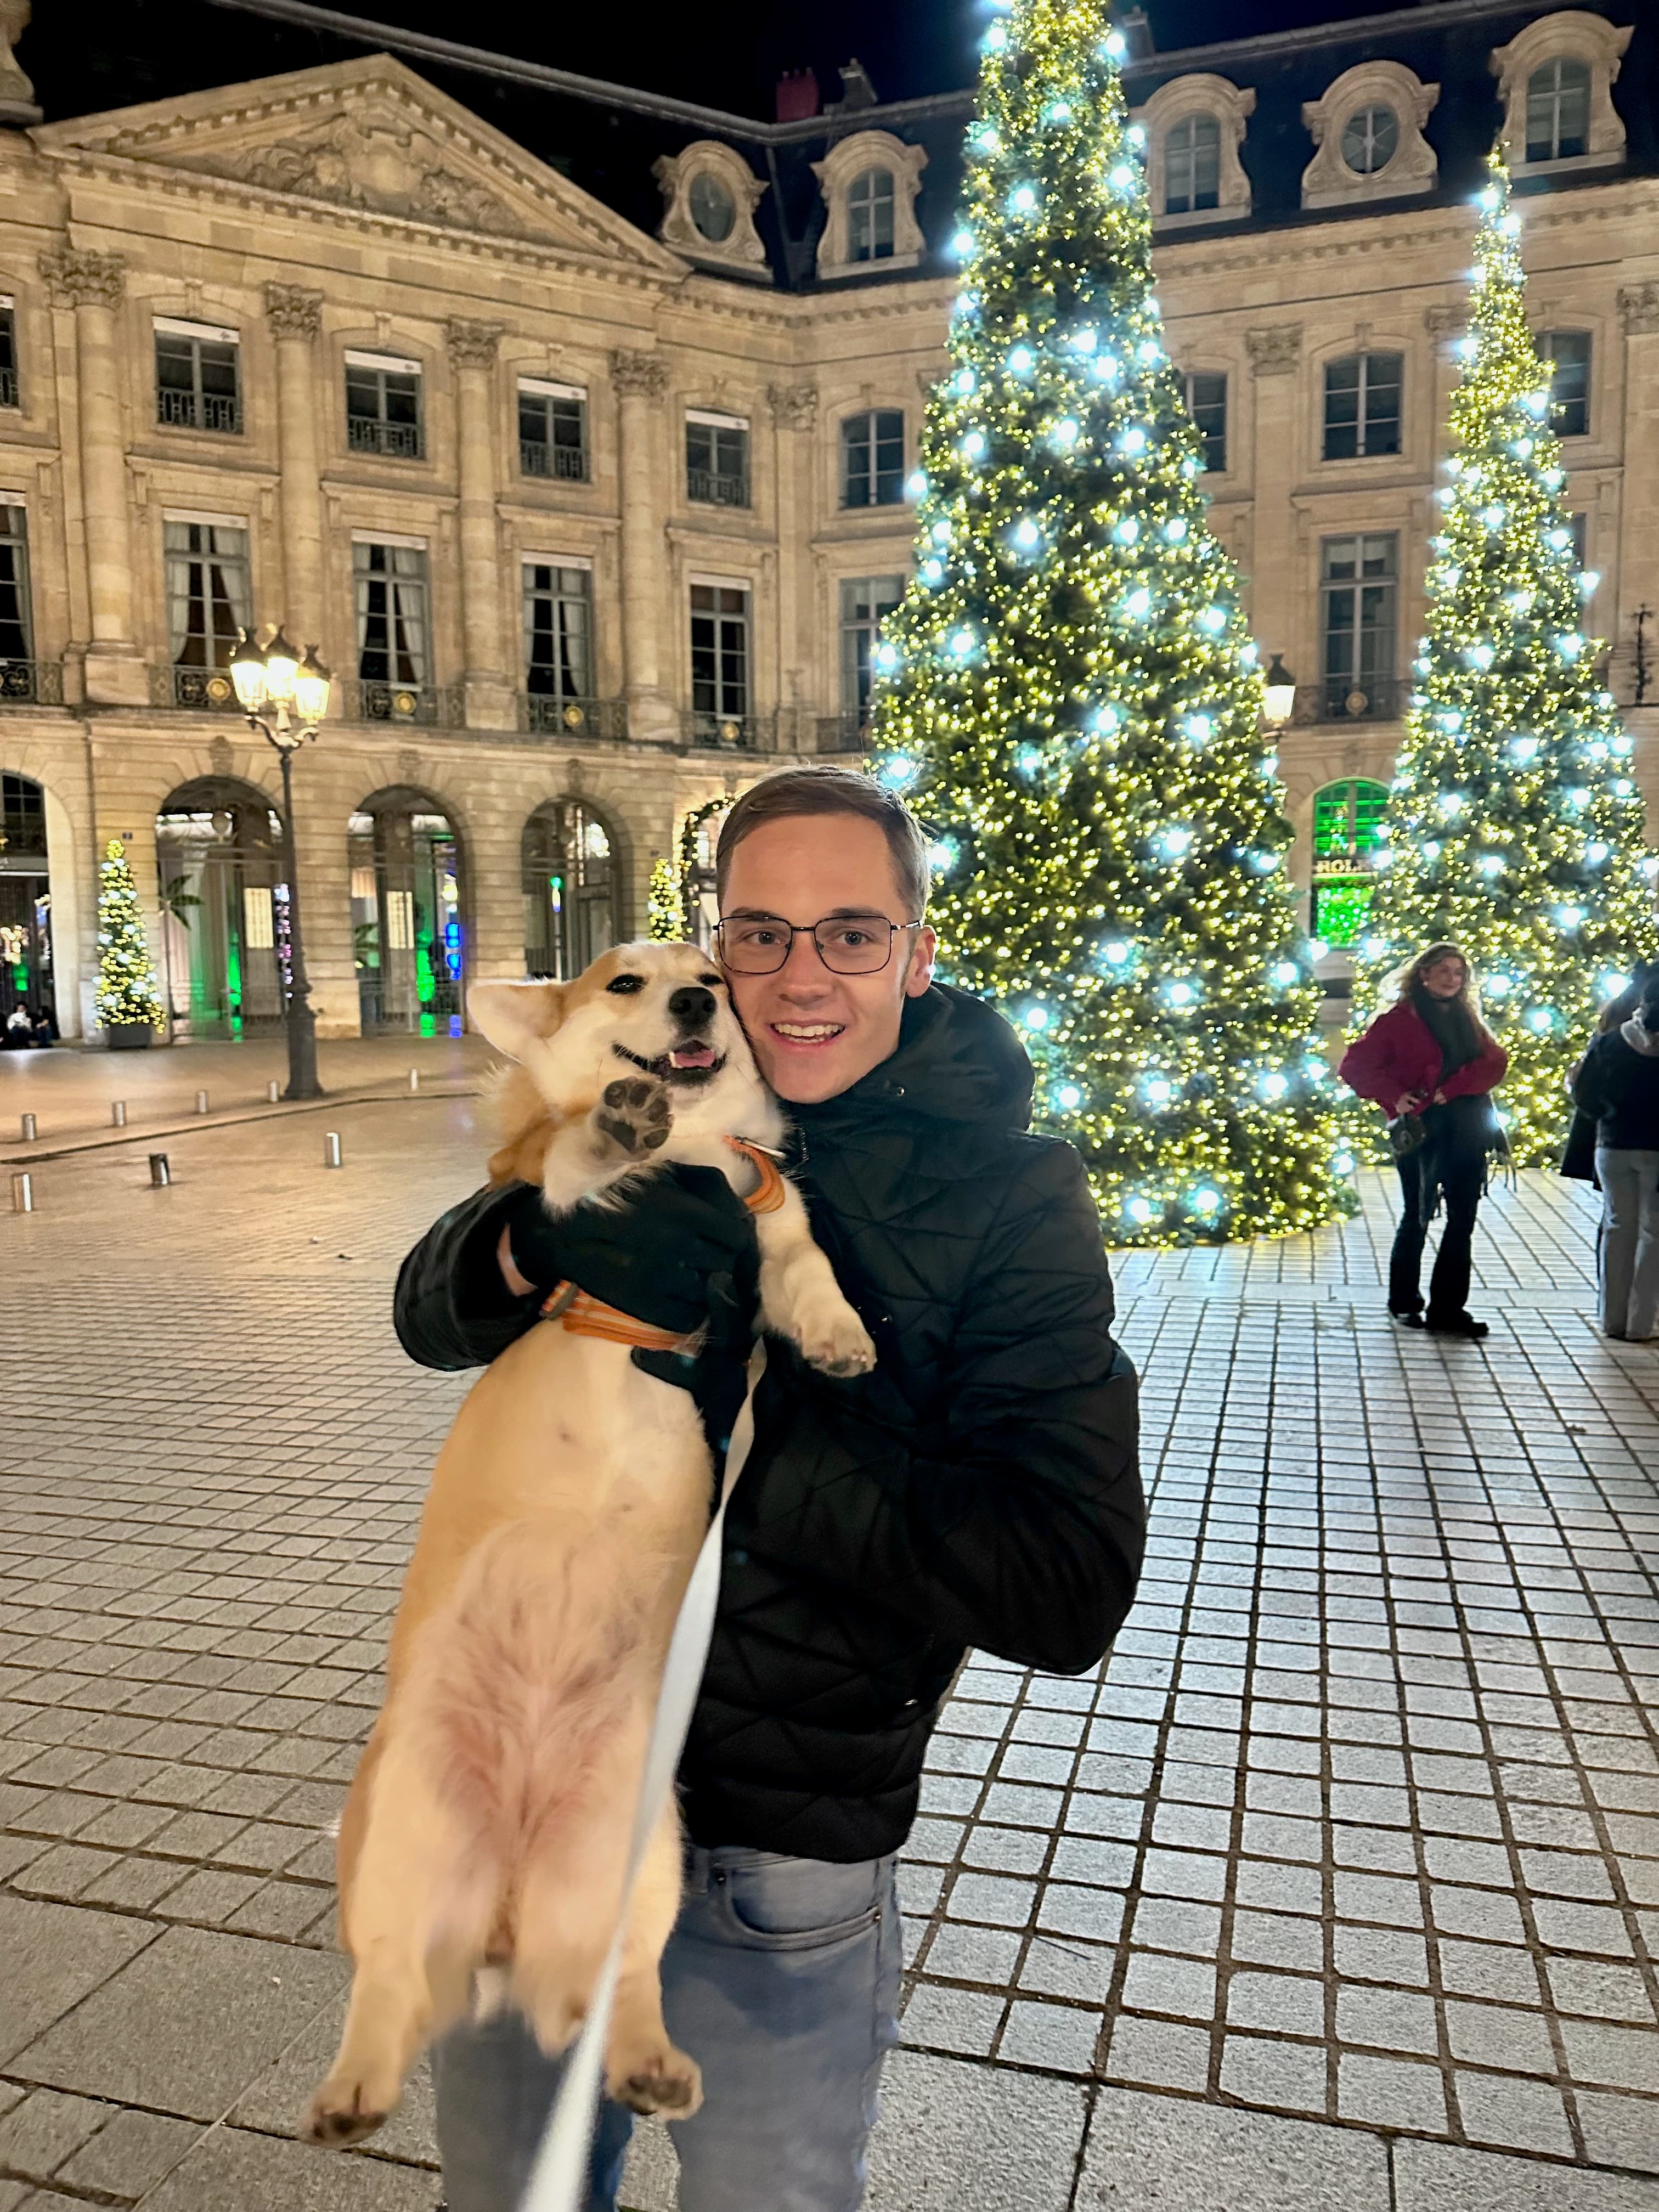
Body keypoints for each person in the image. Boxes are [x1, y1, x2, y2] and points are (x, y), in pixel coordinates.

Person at [393, 766, 1145, 2212]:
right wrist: (534, 1253)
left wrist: (753, 1430)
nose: (801, 976)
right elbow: (432, 1305)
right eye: (761, 933)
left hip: (774, 1852)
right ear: (716, 944)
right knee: (501, 2193)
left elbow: (1064, 1580)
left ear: (919, 953)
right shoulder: (652, 1107)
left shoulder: (1012, 1195)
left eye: (851, 934)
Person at [1339, 941, 1508, 1340]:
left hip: (1467, 1127)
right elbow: (1356, 1066)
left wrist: (1456, 1088)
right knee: (1417, 1213)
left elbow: (1495, 1061)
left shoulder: (1468, 1018)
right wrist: (1396, 1097)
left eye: (1459, 973)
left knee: (1463, 1218)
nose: (1453, 979)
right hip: (1422, 1130)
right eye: (1445, 971)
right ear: (1424, 974)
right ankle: (1404, 1302)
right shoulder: (1398, 1020)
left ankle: (1449, 1308)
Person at [1571, 966, 1659, 1341]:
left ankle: (1612, 1318)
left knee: (1616, 1227)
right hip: (1656, 1149)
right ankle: (1643, 1323)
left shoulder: (1611, 1041)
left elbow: (1584, 1093)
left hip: (1613, 1146)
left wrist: (1608, 1115)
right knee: (1652, 1233)